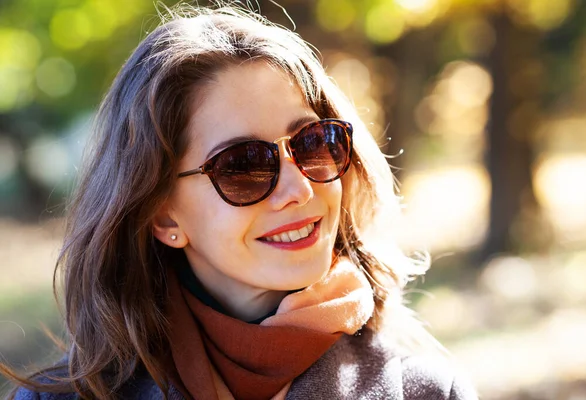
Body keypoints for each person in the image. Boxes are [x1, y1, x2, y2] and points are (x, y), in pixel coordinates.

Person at [3, 4, 478, 400]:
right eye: (243, 165)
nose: (300, 190)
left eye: (313, 143)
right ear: (162, 214)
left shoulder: (428, 392)